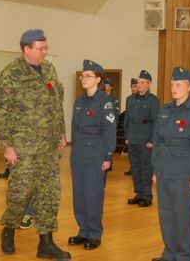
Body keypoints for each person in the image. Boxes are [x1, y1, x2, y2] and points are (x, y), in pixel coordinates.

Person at [0, 29, 70, 261]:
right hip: (24, 146)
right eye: (41, 48)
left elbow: (56, 103)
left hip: (49, 146)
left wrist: (62, 132)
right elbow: (2, 111)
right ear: (26, 48)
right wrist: (7, 145)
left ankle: (46, 243)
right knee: (20, 193)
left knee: (49, 194)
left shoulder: (49, 69)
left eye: (46, 48)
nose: (44, 52)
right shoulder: (11, 73)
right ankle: (8, 229)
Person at [151, 67, 190, 261]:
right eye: (172, 84)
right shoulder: (165, 110)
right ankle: (169, 254)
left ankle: (183, 256)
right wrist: (155, 169)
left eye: (179, 85)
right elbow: (157, 141)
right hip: (164, 171)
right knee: (165, 215)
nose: (174, 88)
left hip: (184, 174)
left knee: (182, 217)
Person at [68, 60, 116, 250]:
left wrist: (108, 156)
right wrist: (72, 153)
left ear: (98, 79)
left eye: (88, 76)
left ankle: (94, 233)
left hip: (96, 154)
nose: (84, 79)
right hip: (79, 154)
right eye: (82, 75)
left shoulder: (105, 103)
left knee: (93, 195)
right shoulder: (79, 102)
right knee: (79, 195)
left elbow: (110, 131)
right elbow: (74, 128)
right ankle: (83, 231)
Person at [124, 70, 160, 207]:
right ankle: (138, 193)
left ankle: (147, 196)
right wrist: (127, 136)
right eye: (138, 82)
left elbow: (156, 122)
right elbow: (126, 119)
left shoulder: (153, 100)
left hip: (145, 140)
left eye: (142, 82)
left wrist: (152, 140)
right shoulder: (130, 99)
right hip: (132, 138)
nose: (139, 85)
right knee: (135, 168)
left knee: (146, 168)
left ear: (149, 84)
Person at [124, 78, 138, 176]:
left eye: (135, 86)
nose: (133, 88)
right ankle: (132, 169)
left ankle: (138, 170)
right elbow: (127, 116)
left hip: (139, 129)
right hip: (131, 129)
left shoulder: (141, 98)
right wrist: (126, 133)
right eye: (131, 86)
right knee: (131, 152)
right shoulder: (129, 99)